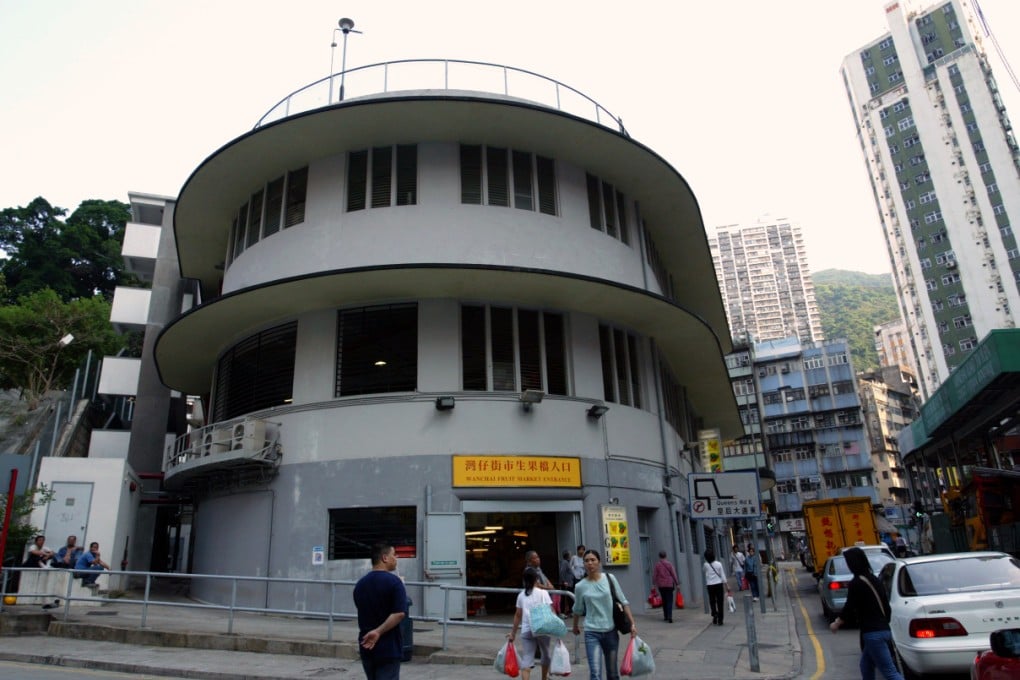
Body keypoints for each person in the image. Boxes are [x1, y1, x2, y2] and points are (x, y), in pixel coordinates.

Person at [829, 547, 904, 680]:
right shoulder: (875, 580)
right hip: (884, 630)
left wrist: (837, 623)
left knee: (890, 672)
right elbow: (887, 607)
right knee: (866, 666)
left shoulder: (856, 583)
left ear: (853, 563)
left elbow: (849, 607)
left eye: (848, 562)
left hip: (873, 634)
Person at [571, 549, 637, 680]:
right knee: (595, 674)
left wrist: (632, 624)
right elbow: (577, 609)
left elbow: (623, 601)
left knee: (612, 674)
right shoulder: (580, 586)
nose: (590, 563)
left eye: (593, 560)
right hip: (591, 632)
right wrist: (575, 626)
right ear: (583, 564)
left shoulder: (609, 578)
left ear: (599, 562)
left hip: (610, 631)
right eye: (587, 561)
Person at [353, 542, 408, 680]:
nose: (397, 558)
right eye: (394, 555)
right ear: (385, 558)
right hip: (389, 648)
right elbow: (399, 613)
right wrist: (378, 631)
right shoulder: (395, 583)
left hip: (367, 647)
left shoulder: (360, 584)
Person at [509, 567, 554, 680]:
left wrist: (513, 634)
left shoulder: (521, 595)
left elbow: (518, 615)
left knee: (527, 659)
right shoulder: (543, 593)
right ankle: (544, 677)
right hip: (542, 629)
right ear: (536, 579)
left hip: (527, 630)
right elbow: (551, 611)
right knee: (546, 654)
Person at [652, 551, 680, 623]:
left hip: (661, 585)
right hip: (669, 584)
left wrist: (653, 584)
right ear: (666, 556)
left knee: (664, 600)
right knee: (669, 600)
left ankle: (666, 616)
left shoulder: (657, 565)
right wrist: (677, 583)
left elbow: (655, 575)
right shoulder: (669, 564)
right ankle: (670, 616)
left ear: (659, 556)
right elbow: (674, 574)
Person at [702, 549, 727, 626]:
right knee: (720, 602)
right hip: (719, 584)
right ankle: (720, 619)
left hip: (710, 585)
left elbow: (704, 571)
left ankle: (714, 613)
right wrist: (726, 585)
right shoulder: (719, 564)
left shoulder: (705, 565)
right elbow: (722, 575)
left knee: (712, 601)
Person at [558, 550, 574, 616]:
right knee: (564, 598)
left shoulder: (567, 562)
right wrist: (564, 581)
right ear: (567, 555)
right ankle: (562, 612)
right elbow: (562, 572)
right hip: (566, 583)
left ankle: (570, 611)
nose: (570, 556)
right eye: (570, 554)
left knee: (569, 598)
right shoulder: (564, 562)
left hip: (569, 583)